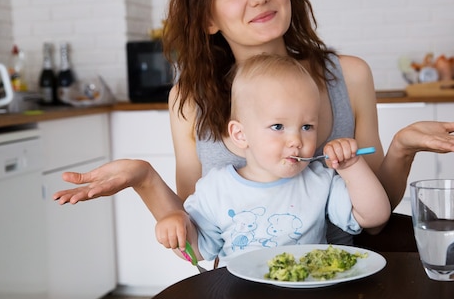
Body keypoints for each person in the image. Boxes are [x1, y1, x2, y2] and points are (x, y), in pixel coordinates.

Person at [53, 0, 454, 247]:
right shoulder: (190, 101)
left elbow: (375, 222)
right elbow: (196, 238)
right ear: (208, 17)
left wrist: (402, 148)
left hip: (348, 272)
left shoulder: (350, 75)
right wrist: (143, 179)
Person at [155, 54, 390, 263]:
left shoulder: (319, 181)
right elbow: (197, 253)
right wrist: (176, 222)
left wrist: (352, 167)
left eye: (307, 126)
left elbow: (375, 216)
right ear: (241, 134)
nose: (296, 140)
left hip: (308, 298)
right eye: (278, 126)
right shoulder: (214, 189)